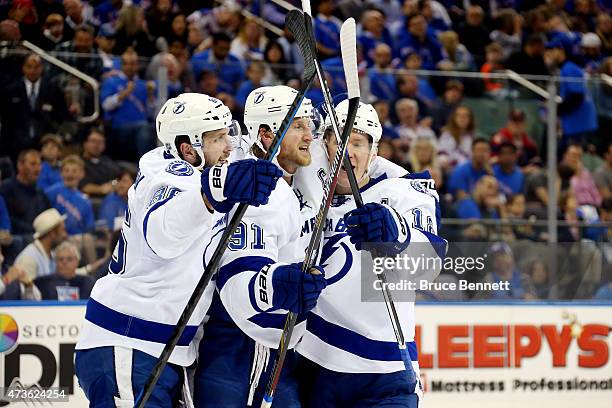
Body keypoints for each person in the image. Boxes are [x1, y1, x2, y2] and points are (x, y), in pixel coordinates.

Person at [75, 93, 282, 407]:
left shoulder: (188, 166)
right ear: (189, 149)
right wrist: (215, 192)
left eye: (228, 134)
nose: (229, 145)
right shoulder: (172, 181)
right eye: (218, 138)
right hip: (130, 345)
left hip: (158, 349)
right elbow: (164, 233)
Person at [295, 100, 445, 408]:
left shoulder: (404, 192)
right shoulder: (303, 179)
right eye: (340, 140)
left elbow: (428, 267)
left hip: (385, 374)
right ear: (325, 144)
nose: (348, 151)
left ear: (373, 153)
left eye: (358, 143)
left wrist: (397, 232)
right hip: (315, 363)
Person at [195, 86, 328, 407]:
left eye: (309, 125)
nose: (310, 135)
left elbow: (347, 141)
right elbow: (238, 279)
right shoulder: (254, 191)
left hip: (285, 348)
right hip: (236, 341)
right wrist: (279, 287)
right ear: (268, 135)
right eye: (298, 126)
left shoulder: (304, 175)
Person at [0, 54, 71, 161]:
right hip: (15, 142)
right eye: (29, 67)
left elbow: (61, 115)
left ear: (41, 68)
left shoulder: (53, 89)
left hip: (45, 142)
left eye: (36, 67)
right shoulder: (11, 90)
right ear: (23, 68)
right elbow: (5, 117)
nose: (32, 70)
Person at [544, 39, 598, 147]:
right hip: (577, 122)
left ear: (561, 50)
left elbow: (576, 96)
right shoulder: (568, 67)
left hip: (578, 123)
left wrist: (557, 111)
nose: (548, 52)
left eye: (552, 49)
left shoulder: (569, 68)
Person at [0, 149, 51, 237]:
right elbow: (5, 219)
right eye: (33, 164)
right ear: (20, 165)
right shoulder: (6, 189)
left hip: (38, 238)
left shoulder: (41, 193)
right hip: (15, 239)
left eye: (39, 164)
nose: (38, 169)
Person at [14, 208, 67, 279]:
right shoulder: (29, 259)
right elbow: (27, 289)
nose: (65, 235)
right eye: (63, 230)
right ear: (52, 233)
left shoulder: (51, 254)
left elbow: (65, 274)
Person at [79, 128, 121, 198]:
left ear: (104, 146)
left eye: (100, 142)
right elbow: (80, 185)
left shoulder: (108, 162)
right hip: (92, 200)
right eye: (93, 141)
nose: (96, 145)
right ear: (85, 143)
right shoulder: (78, 162)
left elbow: (120, 176)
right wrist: (100, 189)